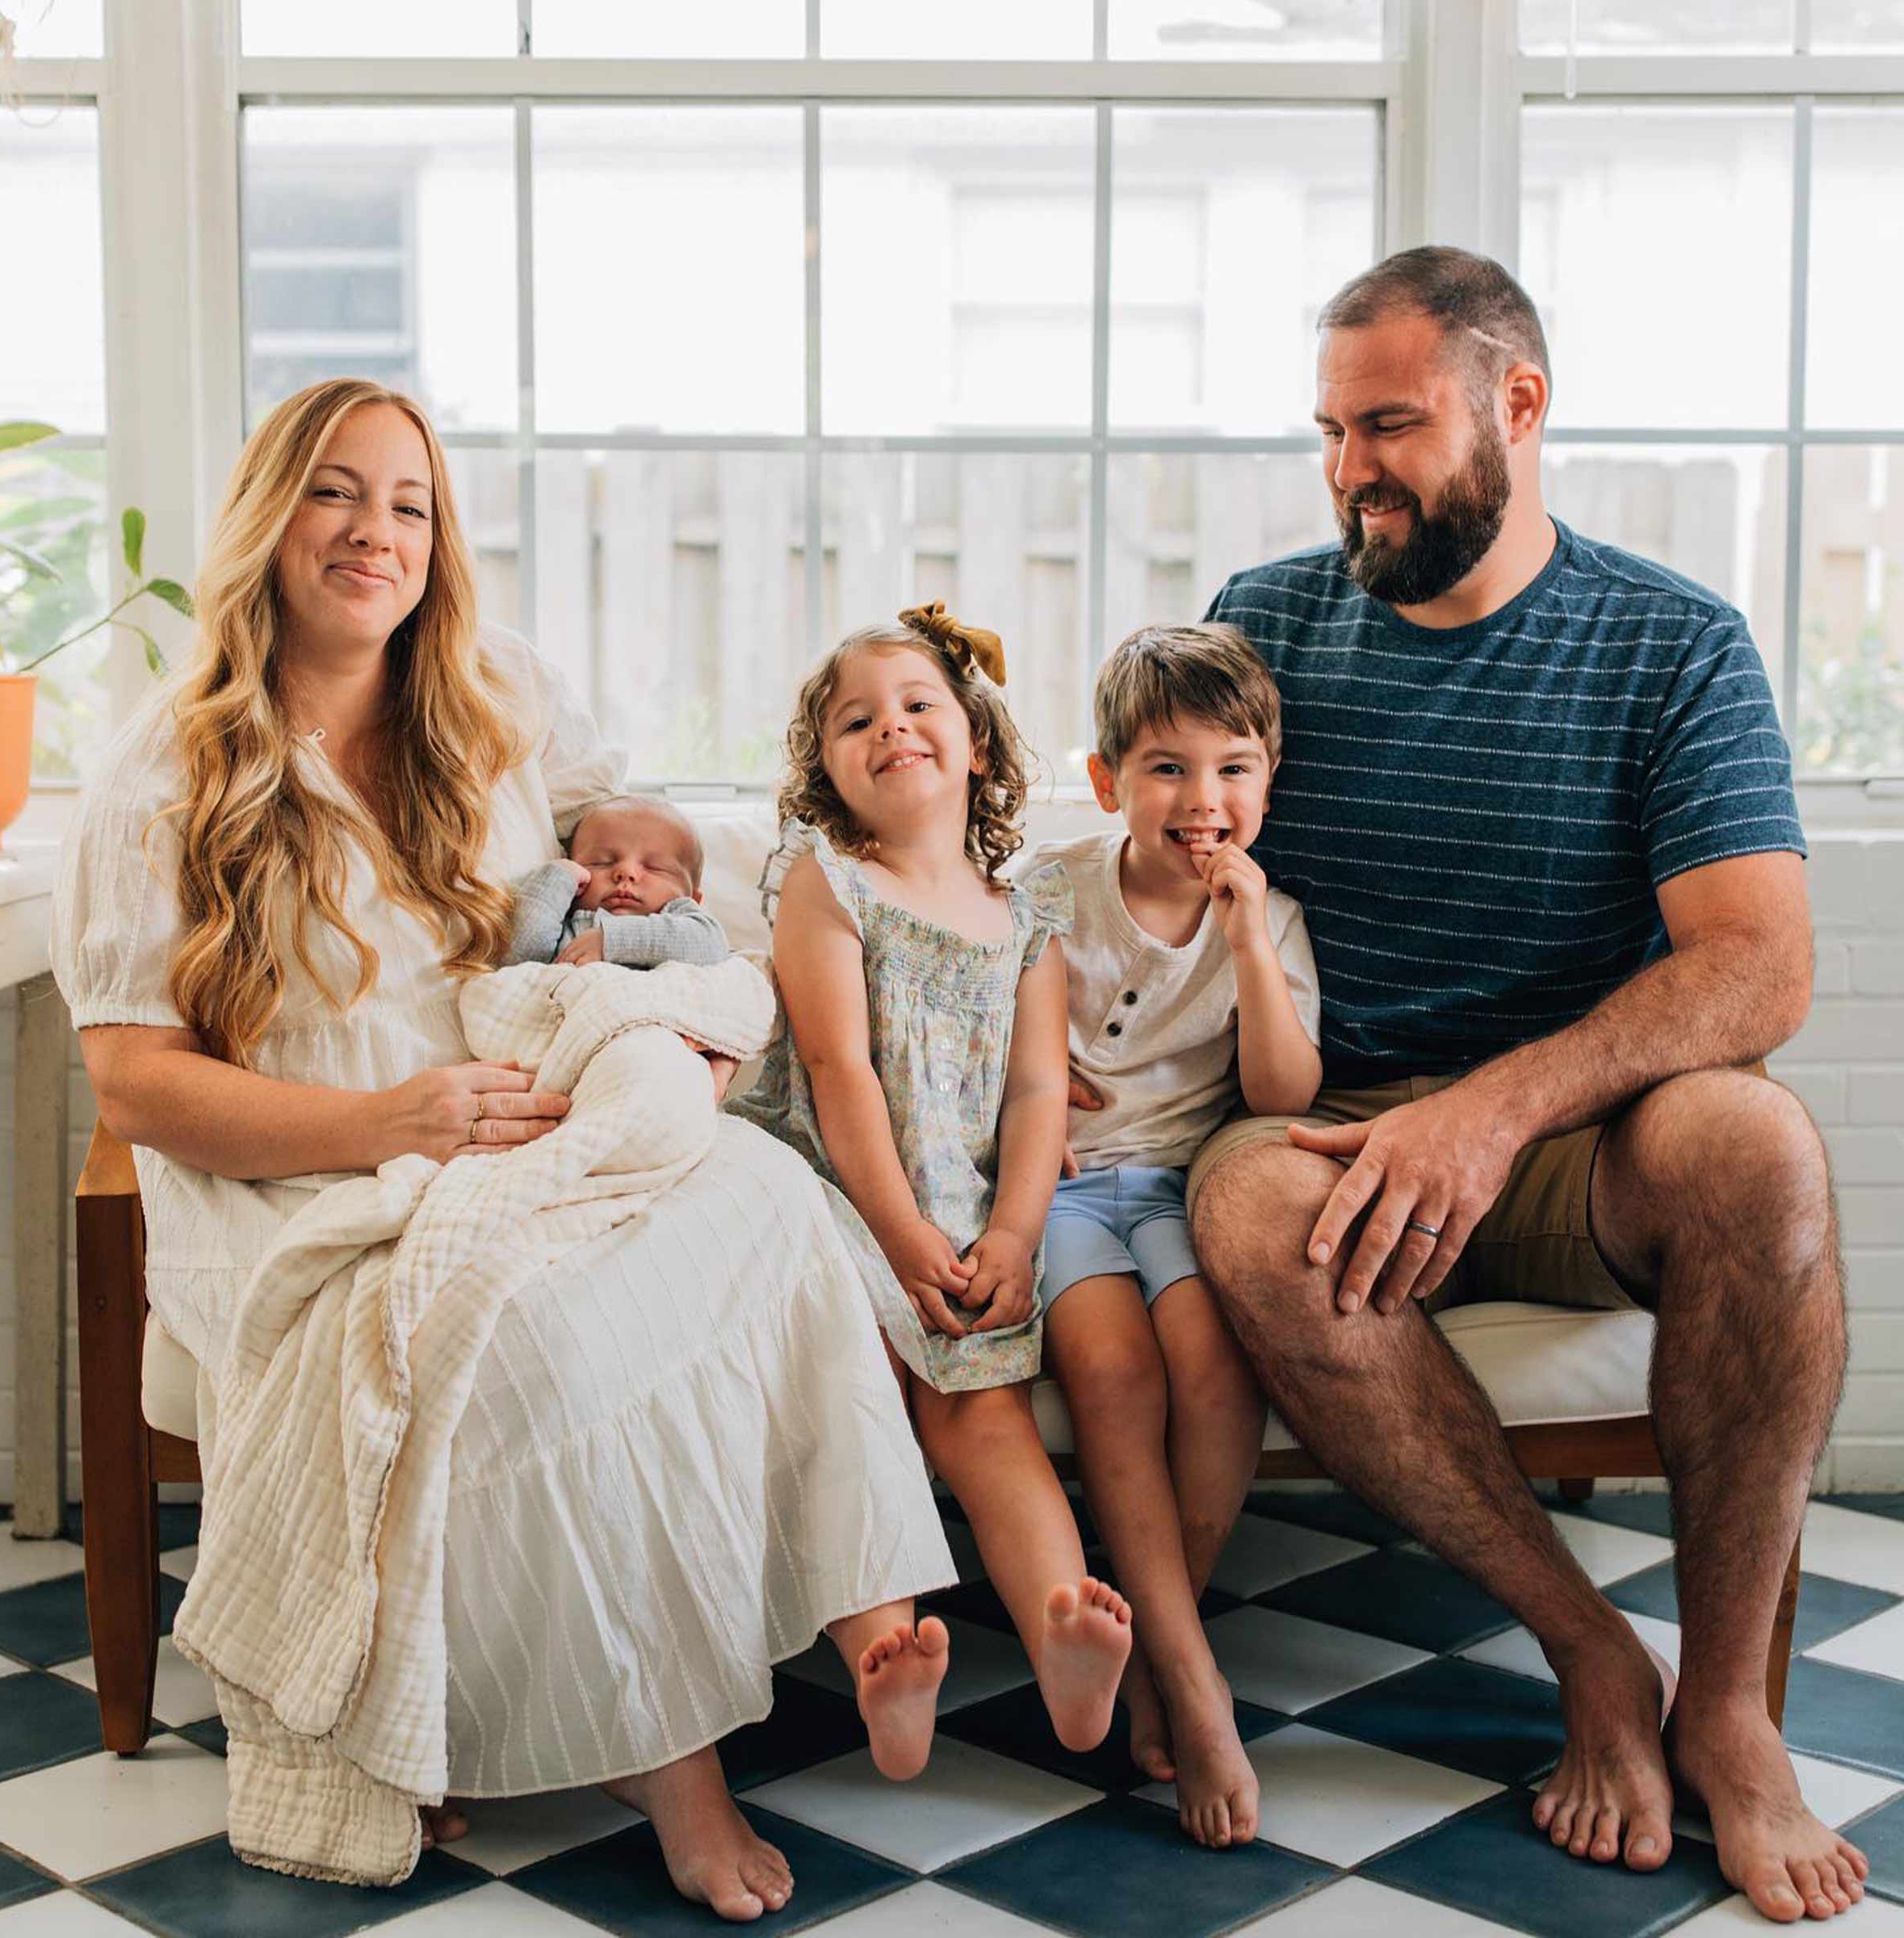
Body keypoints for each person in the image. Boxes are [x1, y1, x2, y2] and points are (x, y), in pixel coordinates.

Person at [51, 377, 958, 1919]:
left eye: (410, 505)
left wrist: (657, 932)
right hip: (301, 1181)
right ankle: (666, 1757)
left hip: (514, 1135)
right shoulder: (167, 769)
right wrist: (385, 1125)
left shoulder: (491, 694)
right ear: (273, 514)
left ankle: (870, 1616)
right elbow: (136, 1081)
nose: (374, 532)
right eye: (338, 493)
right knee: (517, 1342)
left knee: (766, 1194)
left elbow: (628, 834)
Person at [1189, 246, 1868, 1926]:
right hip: (1335, 1124)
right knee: (1246, 1200)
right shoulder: (1263, 623)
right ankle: (1593, 1660)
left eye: (1394, 426)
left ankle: (1724, 1709)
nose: (1354, 471)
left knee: (1758, 1142)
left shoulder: (1673, 646)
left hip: (1573, 1139)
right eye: (1332, 432)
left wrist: (1493, 1114)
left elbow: (1757, 969)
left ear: (1521, 405)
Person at [732, 602, 1136, 1756]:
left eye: (919, 706)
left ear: (979, 744)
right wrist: (899, 1233)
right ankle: (881, 1652)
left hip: (961, 1207)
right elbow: (836, 1068)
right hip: (830, 1189)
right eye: (857, 720)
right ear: (827, 770)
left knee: (982, 1412)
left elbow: (1035, 1096)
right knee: (851, 1389)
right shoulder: (828, 879)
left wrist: (1009, 1240)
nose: (892, 728)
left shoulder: (1025, 914)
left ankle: (1062, 1633)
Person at [1011, 623, 1319, 1848]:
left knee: (1215, 1359)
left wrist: (1246, 942)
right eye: (1167, 769)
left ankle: (1157, 1645)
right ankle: (1195, 1685)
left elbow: (1285, 1095)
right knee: (1113, 1368)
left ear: (1268, 780)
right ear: (1106, 785)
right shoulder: (1050, 892)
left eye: (1234, 768)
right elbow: (969, 1029)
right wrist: (1023, 1097)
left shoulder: (1272, 918)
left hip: (1186, 1190)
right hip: (1068, 1190)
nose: (1204, 800)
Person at [502, 794, 728, 970]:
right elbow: (518, 958)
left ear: (693, 898)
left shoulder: (681, 916)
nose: (626, 873)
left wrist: (612, 940)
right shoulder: (564, 923)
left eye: (654, 867)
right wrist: (557, 879)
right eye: (600, 863)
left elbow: (713, 946)